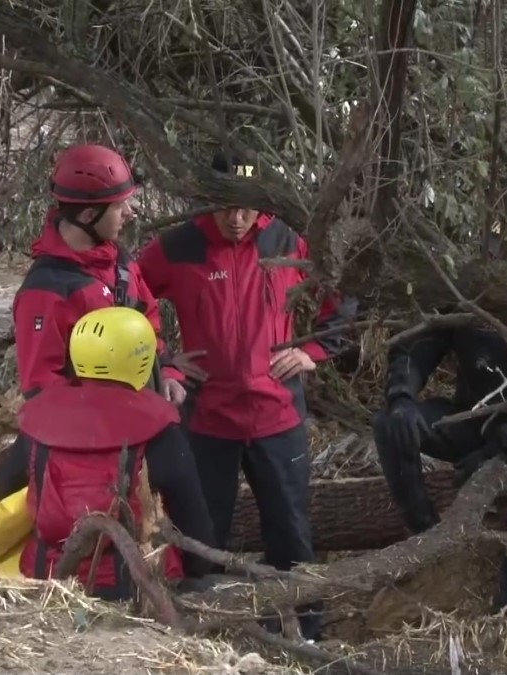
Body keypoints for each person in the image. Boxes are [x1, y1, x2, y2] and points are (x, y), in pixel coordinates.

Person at [135, 150, 358, 641]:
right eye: (225, 206)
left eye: (247, 207)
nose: (236, 219)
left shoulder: (289, 238)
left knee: (292, 535)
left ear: (263, 202)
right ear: (208, 199)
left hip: (277, 416)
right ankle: (207, 639)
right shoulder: (181, 245)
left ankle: (307, 637)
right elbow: (132, 296)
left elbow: (342, 292)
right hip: (208, 419)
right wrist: (165, 360)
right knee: (201, 541)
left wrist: (315, 350)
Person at [0, 143, 187, 500]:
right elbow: (42, 392)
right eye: (120, 206)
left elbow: (149, 322)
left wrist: (168, 372)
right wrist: (102, 441)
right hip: (96, 455)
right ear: (87, 216)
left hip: (142, 425)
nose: (130, 212)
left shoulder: (120, 264)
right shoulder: (45, 293)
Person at [373, 319, 507, 639]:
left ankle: (506, 618)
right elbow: (416, 349)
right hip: (478, 422)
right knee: (392, 425)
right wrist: (401, 397)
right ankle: (428, 539)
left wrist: (495, 453)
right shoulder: (465, 298)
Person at [7, 306, 218, 596]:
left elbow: (2, 487)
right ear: (142, 360)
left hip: (45, 581)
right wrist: (196, 573)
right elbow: (196, 528)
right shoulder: (160, 428)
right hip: (130, 586)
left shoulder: (41, 421)